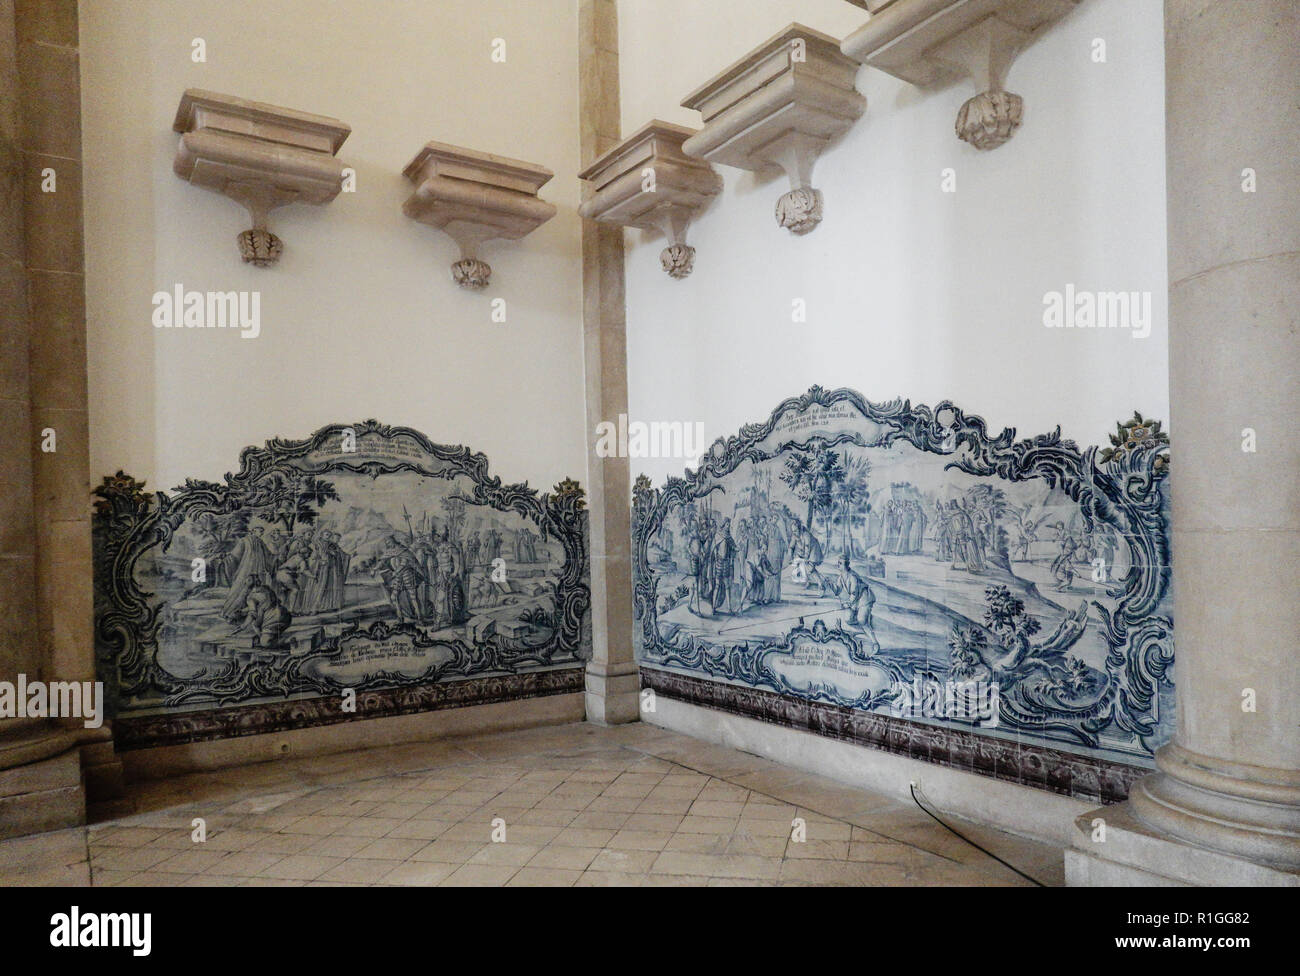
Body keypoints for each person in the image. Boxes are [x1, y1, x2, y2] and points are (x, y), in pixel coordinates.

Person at [221, 526, 275, 621]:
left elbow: (268, 555)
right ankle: (231, 612)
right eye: (260, 531)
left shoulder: (260, 542)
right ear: (253, 531)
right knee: (240, 589)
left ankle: (253, 614)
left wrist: (276, 558)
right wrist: (227, 559)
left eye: (263, 531)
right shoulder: (244, 540)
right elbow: (235, 555)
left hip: (259, 570)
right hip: (246, 570)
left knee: (258, 590)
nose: (262, 533)